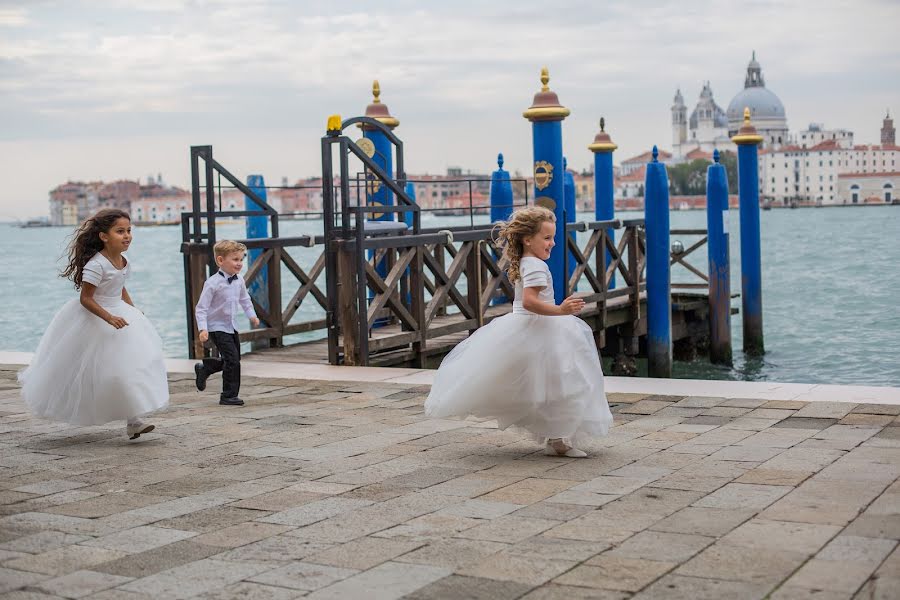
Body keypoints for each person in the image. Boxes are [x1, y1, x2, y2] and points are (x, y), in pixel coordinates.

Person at [425, 206, 613, 457]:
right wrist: (561, 309)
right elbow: (530, 302)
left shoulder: (527, 262)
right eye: (547, 238)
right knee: (563, 383)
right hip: (540, 328)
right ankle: (557, 439)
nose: (553, 243)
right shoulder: (534, 266)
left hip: (531, 328)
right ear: (527, 239)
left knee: (554, 384)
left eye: (553, 237)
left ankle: (556, 438)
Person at [19, 209, 168, 439]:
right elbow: (86, 298)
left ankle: (134, 421)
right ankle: (94, 407)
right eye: (120, 231)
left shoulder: (123, 261)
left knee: (133, 366)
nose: (127, 235)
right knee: (98, 372)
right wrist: (108, 317)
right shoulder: (96, 265)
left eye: (129, 231)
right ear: (104, 236)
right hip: (96, 318)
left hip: (121, 316)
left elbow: (121, 286)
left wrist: (132, 309)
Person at [193, 240, 259, 406]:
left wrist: (252, 315)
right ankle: (228, 395)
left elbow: (245, 299)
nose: (239, 263)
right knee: (233, 360)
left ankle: (206, 368)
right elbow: (201, 308)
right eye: (235, 259)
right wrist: (203, 329)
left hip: (231, 326)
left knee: (233, 359)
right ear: (221, 260)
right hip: (216, 327)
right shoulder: (212, 283)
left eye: (241, 259)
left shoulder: (239, 280)